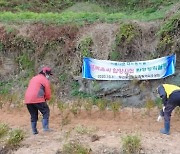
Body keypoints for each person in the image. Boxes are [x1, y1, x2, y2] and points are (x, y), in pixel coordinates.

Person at [24, 66, 53, 135]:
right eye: (49, 74)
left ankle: (34, 131)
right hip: (38, 98)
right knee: (46, 111)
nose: (49, 76)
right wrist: (47, 98)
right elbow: (48, 92)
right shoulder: (44, 80)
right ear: (46, 74)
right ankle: (45, 128)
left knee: (33, 115)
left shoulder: (33, 78)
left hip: (28, 99)